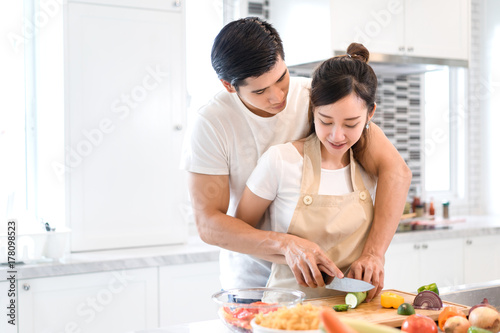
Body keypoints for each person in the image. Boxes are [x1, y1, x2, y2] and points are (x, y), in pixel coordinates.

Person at [181, 17, 411, 302]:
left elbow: (395, 171)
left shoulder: (313, 98)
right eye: (260, 91)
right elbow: (209, 224)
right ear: (229, 86)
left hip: (321, 289)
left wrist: (374, 254)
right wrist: (286, 244)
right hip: (251, 287)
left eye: (281, 78)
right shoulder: (212, 123)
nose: (278, 96)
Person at [235, 43, 380, 298]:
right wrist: (287, 248)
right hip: (288, 313)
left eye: (351, 124)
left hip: (354, 314)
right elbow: (240, 235)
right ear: (312, 109)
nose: (337, 135)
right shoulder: (281, 161)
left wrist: (374, 258)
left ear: (370, 115)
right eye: (325, 121)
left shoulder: (371, 169)